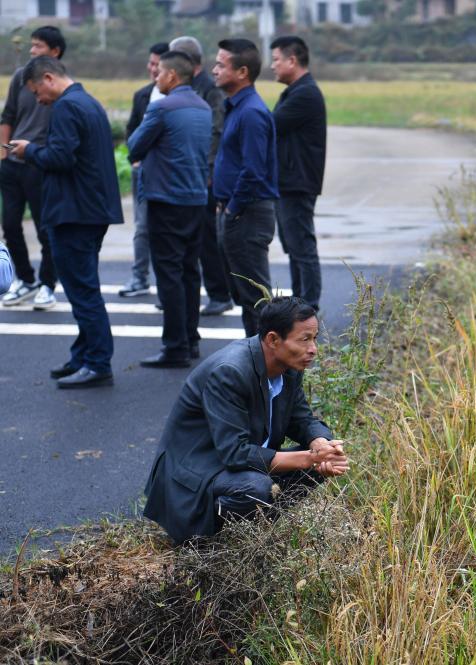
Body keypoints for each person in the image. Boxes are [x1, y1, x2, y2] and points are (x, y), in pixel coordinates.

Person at [142, 297, 349, 543]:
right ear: (273, 339)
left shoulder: (288, 367)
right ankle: (208, 540)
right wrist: (309, 458)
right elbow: (235, 453)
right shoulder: (230, 371)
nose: (313, 348)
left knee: (316, 463)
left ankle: (259, 534)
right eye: (304, 339)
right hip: (194, 476)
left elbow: (301, 418)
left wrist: (321, 445)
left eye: (314, 338)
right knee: (256, 487)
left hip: (231, 467)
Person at [9, 56, 124, 389]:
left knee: (82, 291)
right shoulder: (88, 102)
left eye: (36, 92)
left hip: (74, 212)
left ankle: (97, 363)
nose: (38, 100)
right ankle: (83, 355)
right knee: (83, 287)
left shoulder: (66, 107)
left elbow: (60, 157)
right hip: (91, 209)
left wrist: (29, 151)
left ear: (48, 78)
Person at [127, 51, 212, 368]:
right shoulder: (203, 107)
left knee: (169, 274)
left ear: (173, 76)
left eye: (160, 72)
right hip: (196, 199)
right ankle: (190, 339)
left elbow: (134, 146)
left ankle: (175, 347)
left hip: (166, 199)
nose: (156, 77)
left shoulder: (162, 107)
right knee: (190, 271)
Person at [211, 38, 279, 337]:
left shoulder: (251, 112)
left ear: (242, 72)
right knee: (244, 294)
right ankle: (255, 357)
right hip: (236, 211)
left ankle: (268, 361)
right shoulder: (236, 107)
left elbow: (254, 170)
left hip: (247, 213)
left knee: (257, 298)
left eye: (220, 65)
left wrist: (233, 209)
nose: (214, 70)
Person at [0, 26, 65, 310]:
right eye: (31, 45)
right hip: (12, 163)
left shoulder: (62, 85)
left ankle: (47, 285)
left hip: (40, 165)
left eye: (38, 46)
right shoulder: (20, 77)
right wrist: (3, 154)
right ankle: (25, 279)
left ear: (55, 51)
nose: (32, 50)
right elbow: (8, 116)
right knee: (10, 225)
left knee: (45, 229)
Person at [169, 35, 234, 317]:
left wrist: (208, 170)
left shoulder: (210, 89)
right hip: (189, 174)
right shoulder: (189, 87)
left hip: (203, 175)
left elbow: (215, 131)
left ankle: (220, 294)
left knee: (207, 238)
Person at [270, 36, 326, 311]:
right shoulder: (295, 91)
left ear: (292, 60)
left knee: (302, 247)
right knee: (294, 247)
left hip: (297, 182)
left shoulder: (305, 94)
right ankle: (300, 305)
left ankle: (308, 307)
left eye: (276, 60)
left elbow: (271, 125)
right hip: (289, 181)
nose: (272, 66)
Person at [119, 41, 170, 298]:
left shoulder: (180, 97)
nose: (152, 69)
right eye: (150, 63)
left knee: (170, 230)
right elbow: (131, 130)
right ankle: (139, 278)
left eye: (157, 64)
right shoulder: (142, 95)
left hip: (169, 173)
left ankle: (169, 284)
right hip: (143, 171)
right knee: (142, 228)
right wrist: (135, 159)